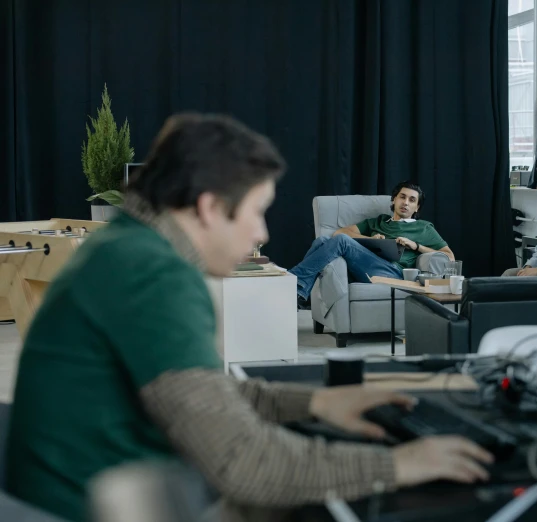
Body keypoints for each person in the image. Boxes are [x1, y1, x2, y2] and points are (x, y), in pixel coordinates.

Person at [5, 114, 492, 522]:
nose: (261, 231)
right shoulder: (151, 274)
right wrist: (397, 464)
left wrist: (318, 403)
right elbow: (245, 462)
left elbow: (200, 393)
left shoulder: (129, 249)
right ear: (210, 207)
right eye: (258, 212)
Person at [289, 181, 454, 306]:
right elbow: (340, 232)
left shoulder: (423, 227)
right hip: (367, 267)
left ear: (416, 207)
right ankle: (298, 291)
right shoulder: (379, 222)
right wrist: (370, 240)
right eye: (402, 197)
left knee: (339, 242)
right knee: (322, 240)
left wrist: (416, 246)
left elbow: (449, 256)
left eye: (412, 200)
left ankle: (292, 283)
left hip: (394, 273)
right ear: (394, 200)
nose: (405, 203)